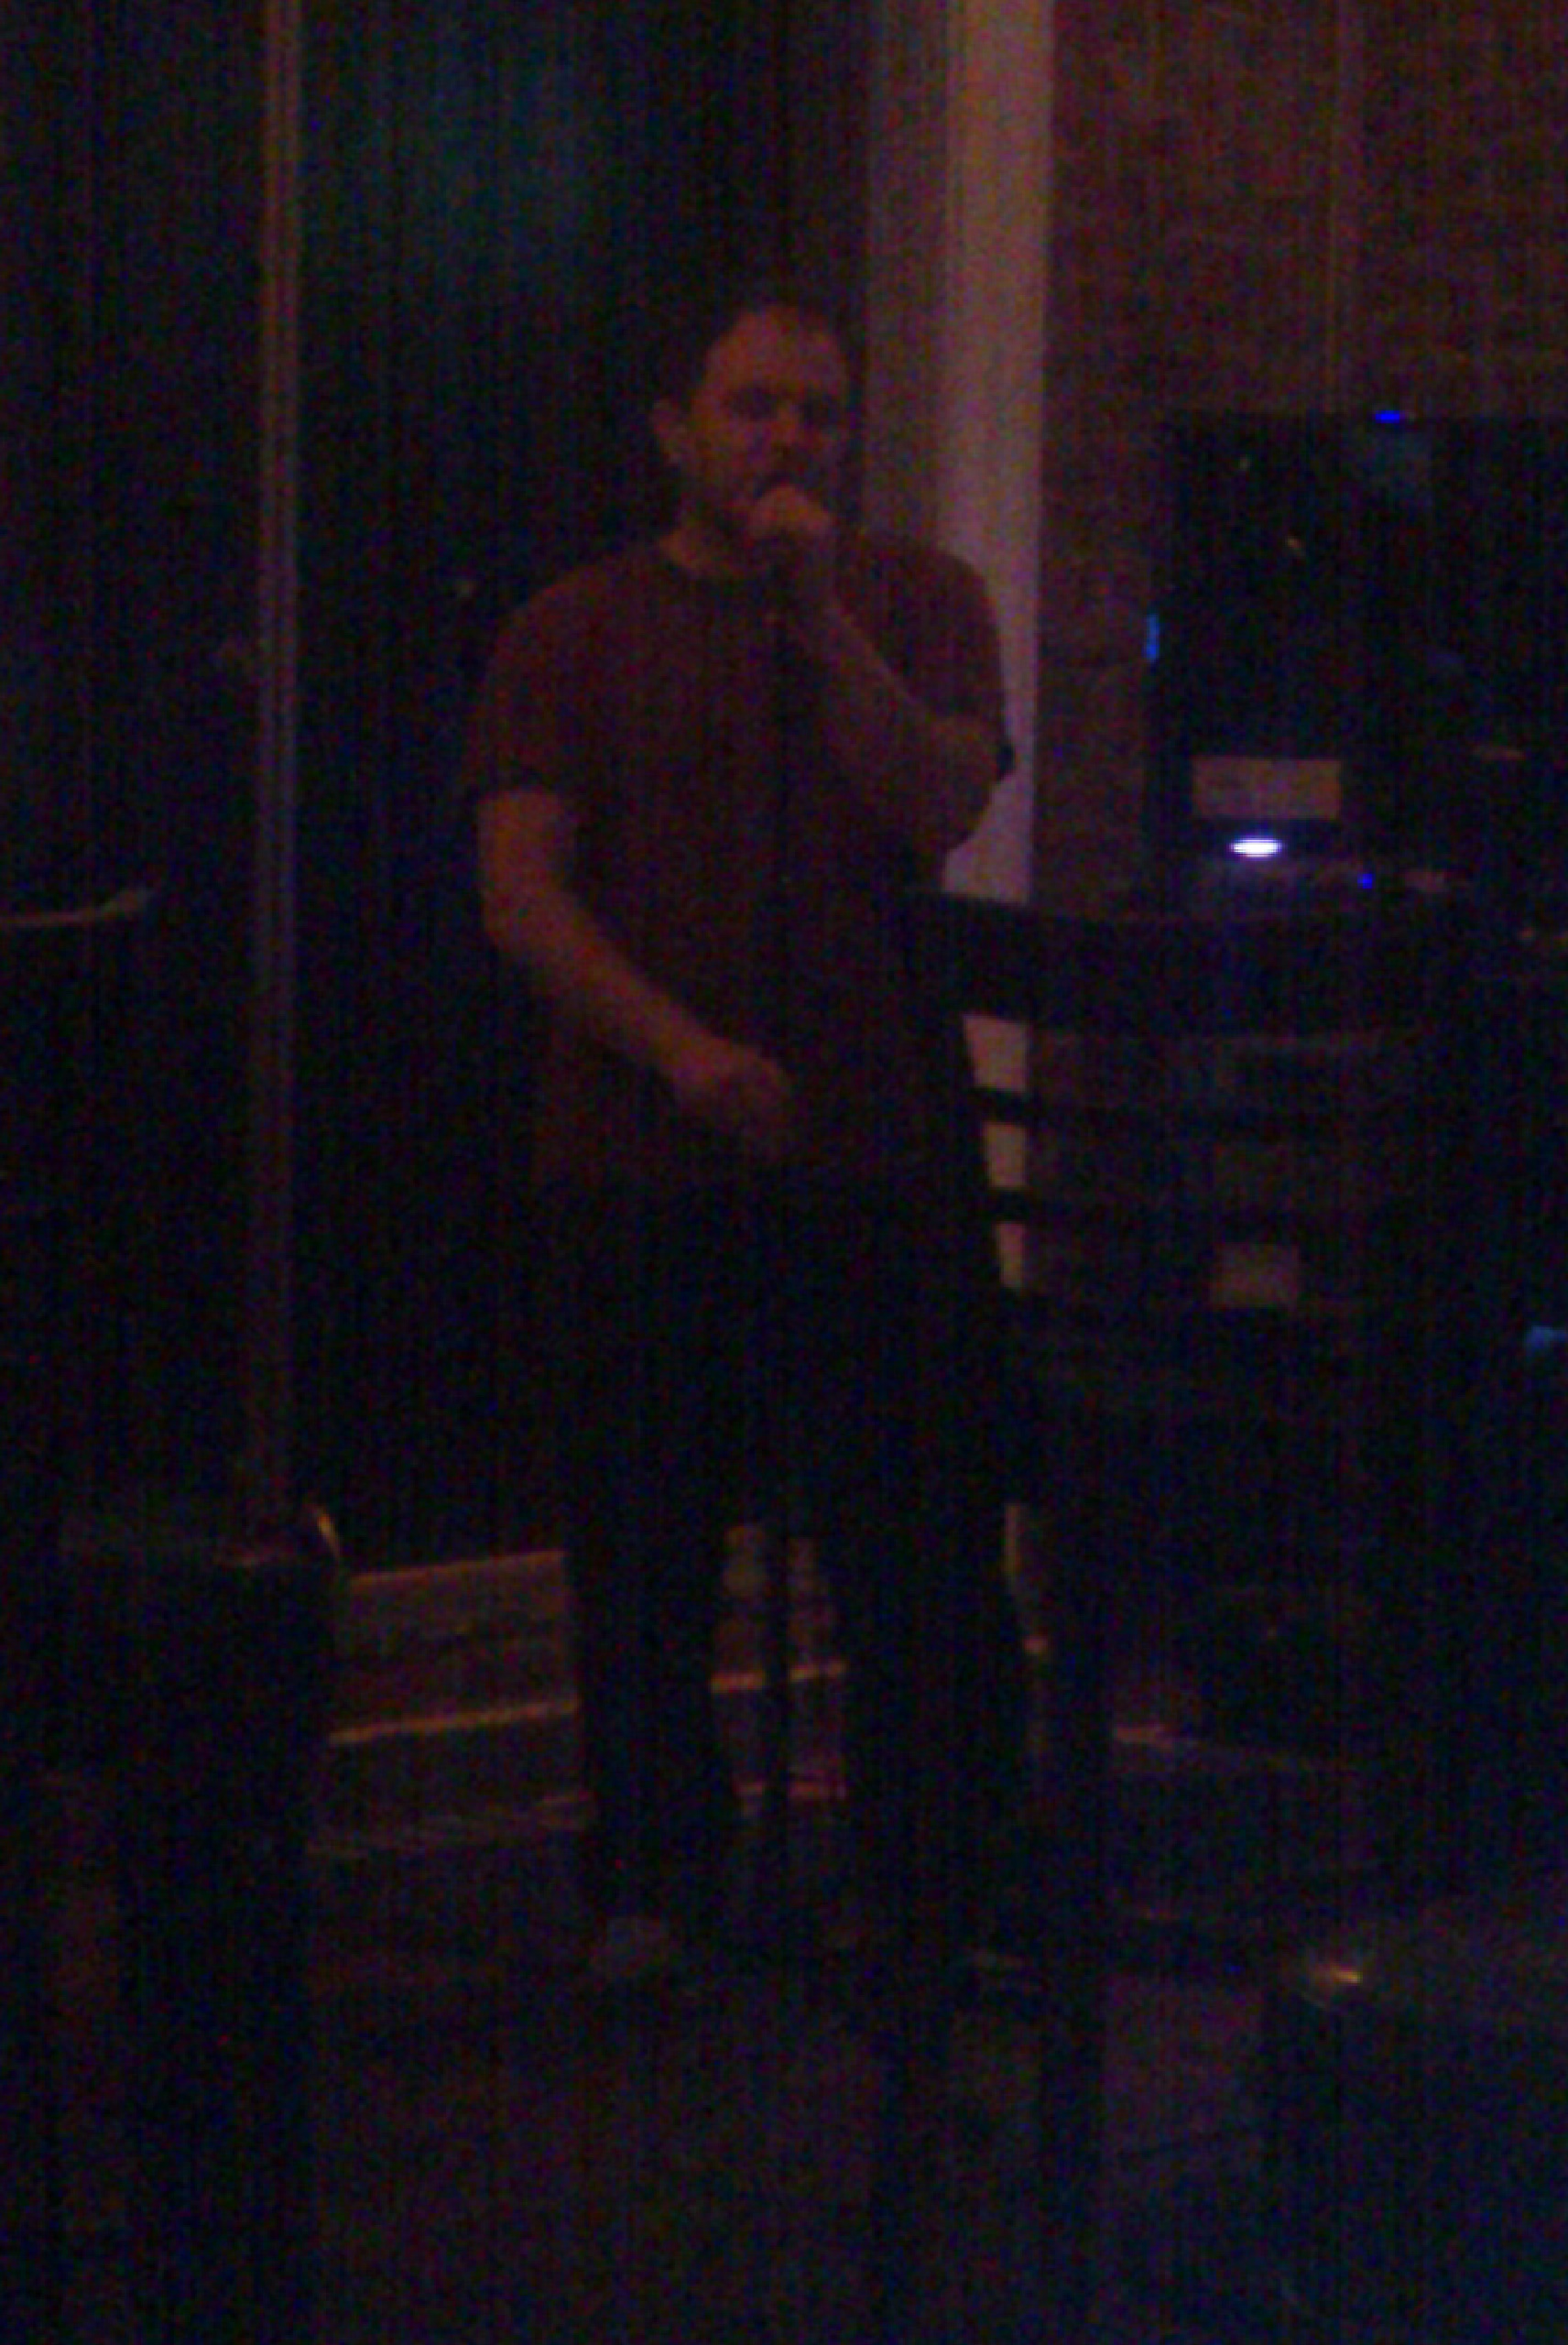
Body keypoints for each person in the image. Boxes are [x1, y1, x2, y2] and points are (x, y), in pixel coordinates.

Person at [462, 281, 1028, 1989]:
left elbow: (939, 801)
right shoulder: (575, 626)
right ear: (676, 429)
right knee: (642, 1547)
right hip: (642, 1153)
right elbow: (519, 891)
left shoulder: (920, 602)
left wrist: (821, 617)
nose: (787, 439)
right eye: (753, 407)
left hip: (880, 1150)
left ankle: (932, 1882)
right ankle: (656, 1880)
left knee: (919, 1542)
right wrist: (679, 1047)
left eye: (818, 413)